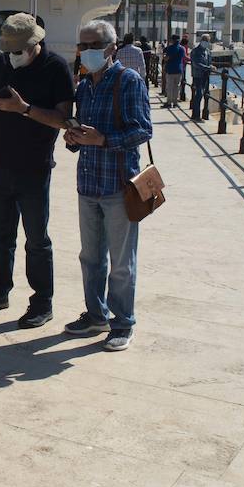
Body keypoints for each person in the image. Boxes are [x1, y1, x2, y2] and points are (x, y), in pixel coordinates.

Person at [0, 13, 75, 329]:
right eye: (10, 50)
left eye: (19, 50)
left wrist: (24, 109)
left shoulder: (56, 68)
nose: (14, 56)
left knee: (36, 239)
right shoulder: (2, 63)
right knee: (0, 234)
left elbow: (63, 120)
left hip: (34, 166)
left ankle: (42, 302)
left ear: (34, 44)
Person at [63, 18, 153, 351]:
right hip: (88, 183)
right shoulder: (84, 86)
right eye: (82, 45)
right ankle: (95, 315)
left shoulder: (128, 82)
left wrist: (103, 140)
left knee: (122, 262)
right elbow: (84, 135)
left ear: (112, 49)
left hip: (118, 185)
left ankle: (123, 323)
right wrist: (74, 138)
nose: (86, 51)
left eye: (94, 45)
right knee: (90, 257)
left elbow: (142, 130)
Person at [189, 33, 213, 121]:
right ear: (202, 41)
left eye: (208, 41)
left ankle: (200, 114)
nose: (207, 42)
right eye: (205, 40)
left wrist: (210, 66)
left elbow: (209, 62)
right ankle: (196, 115)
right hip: (198, 75)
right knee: (198, 94)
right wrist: (207, 67)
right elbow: (196, 64)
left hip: (205, 76)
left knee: (203, 94)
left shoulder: (208, 51)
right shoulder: (195, 51)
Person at [162, 35, 184, 107]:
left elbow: (166, 58)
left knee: (170, 86)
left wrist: (164, 58)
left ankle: (169, 102)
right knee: (177, 86)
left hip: (170, 69)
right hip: (179, 69)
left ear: (172, 40)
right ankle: (175, 102)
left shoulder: (170, 48)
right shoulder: (182, 48)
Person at [179, 36, 190, 101]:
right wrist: (191, 59)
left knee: (182, 81)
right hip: (182, 65)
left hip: (181, 65)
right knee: (182, 80)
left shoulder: (181, 47)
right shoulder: (183, 48)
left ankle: (181, 94)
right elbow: (184, 57)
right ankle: (181, 95)